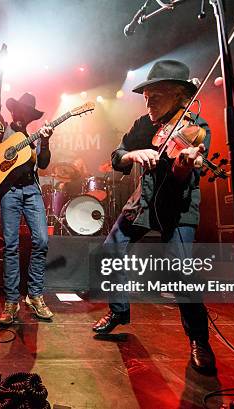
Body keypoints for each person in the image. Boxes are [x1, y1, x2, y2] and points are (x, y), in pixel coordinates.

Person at [91, 60, 216, 374]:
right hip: (143, 203)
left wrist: (185, 163)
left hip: (177, 208)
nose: (149, 102)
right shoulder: (142, 125)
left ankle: (199, 340)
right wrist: (132, 154)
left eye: (157, 96)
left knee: (183, 273)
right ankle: (119, 310)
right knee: (110, 251)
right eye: (146, 96)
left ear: (179, 97)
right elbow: (117, 157)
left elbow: (179, 176)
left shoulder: (196, 128)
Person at [0, 44, 54, 325]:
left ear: (31, 116)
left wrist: (47, 141)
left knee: (41, 240)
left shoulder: (37, 135)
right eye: (19, 110)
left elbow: (44, 164)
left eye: (27, 112)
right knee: (10, 245)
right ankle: (12, 302)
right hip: (10, 192)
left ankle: (35, 295)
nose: (21, 115)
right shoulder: (4, 129)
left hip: (32, 191)